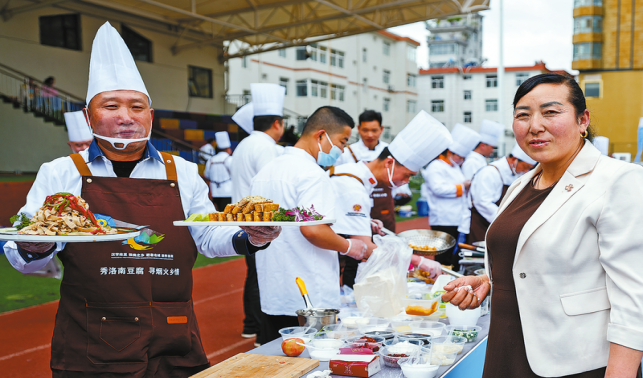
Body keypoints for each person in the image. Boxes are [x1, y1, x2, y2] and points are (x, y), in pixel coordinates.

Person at [3, 22, 281, 377]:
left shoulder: (182, 170)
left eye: (137, 107)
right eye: (111, 106)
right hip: (91, 337)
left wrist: (252, 237)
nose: (125, 117)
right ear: (89, 116)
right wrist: (37, 248)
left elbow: (209, 237)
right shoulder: (59, 172)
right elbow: (21, 252)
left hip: (173, 333)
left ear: (150, 116)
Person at [442, 73, 643, 377]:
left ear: (582, 119)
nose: (535, 126)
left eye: (550, 112)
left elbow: (634, 298)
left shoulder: (618, 180)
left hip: (573, 363)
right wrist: (490, 281)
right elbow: (537, 260)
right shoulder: (522, 184)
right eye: (523, 115)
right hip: (505, 350)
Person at [250, 106, 367, 343]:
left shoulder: (267, 170)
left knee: (278, 357)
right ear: (321, 135)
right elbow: (313, 229)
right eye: (342, 142)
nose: (342, 151)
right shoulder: (311, 173)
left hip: (274, 286)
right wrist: (348, 246)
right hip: (309, 294)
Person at [329, 111, 453, 287]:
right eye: (407, 175)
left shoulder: (358, 177)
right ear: (389, 163)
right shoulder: (353, 186)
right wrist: (419, 261)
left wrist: (364, 221)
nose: (406, 182)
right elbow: (364, 248)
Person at [230, 85, 285, 344]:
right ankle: (262, 332)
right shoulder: (266, 147)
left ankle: (251, 324)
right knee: (264, 276)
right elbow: (270, 188)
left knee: (254, 274)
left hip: (243, 219)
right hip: (259, 222)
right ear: (278, 123)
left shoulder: (244, 144)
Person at [422, 124, 479, 269]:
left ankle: (448, 275)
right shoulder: (436, 166)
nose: (461, 160)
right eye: (459, 156)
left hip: (456, 217)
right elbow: (438, 189)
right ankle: (439, 277)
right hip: (443, 217)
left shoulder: (454, 168)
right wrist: (462, 186)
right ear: (450, 153)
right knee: (443, 253)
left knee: (453, 251)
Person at [460, 143, 536, 244]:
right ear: (514, 159)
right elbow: (482, 202)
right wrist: (505, 222)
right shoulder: (490, 172)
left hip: (498, 224)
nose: (526, 171)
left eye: (529, 168)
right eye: (526, 167)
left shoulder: (515, 174)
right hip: (480, 223)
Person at [204, 131, 233, 211]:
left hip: (215, 192)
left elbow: (206, 175)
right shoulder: (230, 159)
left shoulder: (210, 160)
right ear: (228, 149)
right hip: (228, 192)